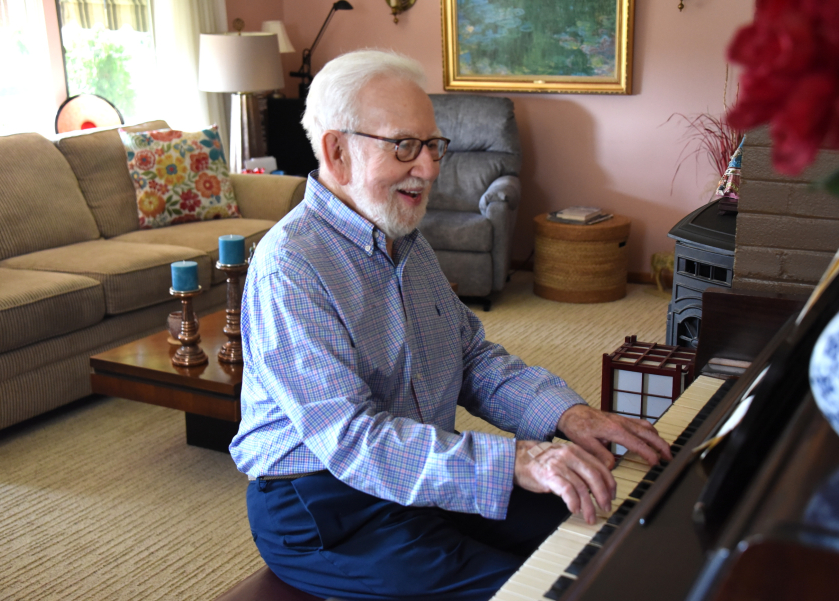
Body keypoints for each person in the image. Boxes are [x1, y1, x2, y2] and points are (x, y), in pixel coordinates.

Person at [229, 49, 671, 601]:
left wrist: (569, 416)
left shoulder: (404, 241)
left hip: (418, 469)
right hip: (326, 506)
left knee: (603, 516)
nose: (431, 168)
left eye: (433, 145)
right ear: (336, 152)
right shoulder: (290, 266)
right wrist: (517, 459)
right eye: (405, 146)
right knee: (539, 592)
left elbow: (471, 359)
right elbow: (352, 440)